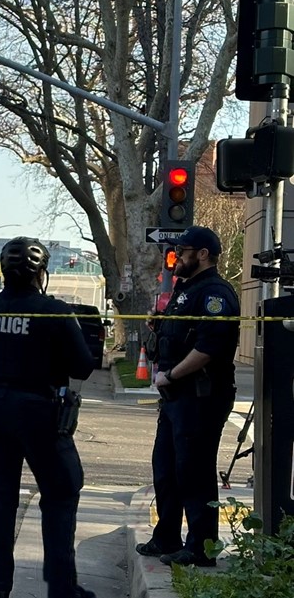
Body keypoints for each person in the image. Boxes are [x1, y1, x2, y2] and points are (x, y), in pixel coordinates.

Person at [0, 236, 96, 598]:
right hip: (38, 411)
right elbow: (83, 366)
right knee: (61, 493)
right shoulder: (57, 312)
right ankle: (61, 587)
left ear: (3, 269)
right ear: (40, 272)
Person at [137, 226, 239, 567]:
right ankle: (166, 535)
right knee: (165, 468)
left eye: (182, 251)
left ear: (203, 254)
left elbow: (208, 349)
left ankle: (201, 546)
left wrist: (172, 374)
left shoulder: (215, 294)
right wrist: (160, 327)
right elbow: (181, 335)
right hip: (176, 397)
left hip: (201, 396)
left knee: (193, 471)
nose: (176, 257)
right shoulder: (187, 289)